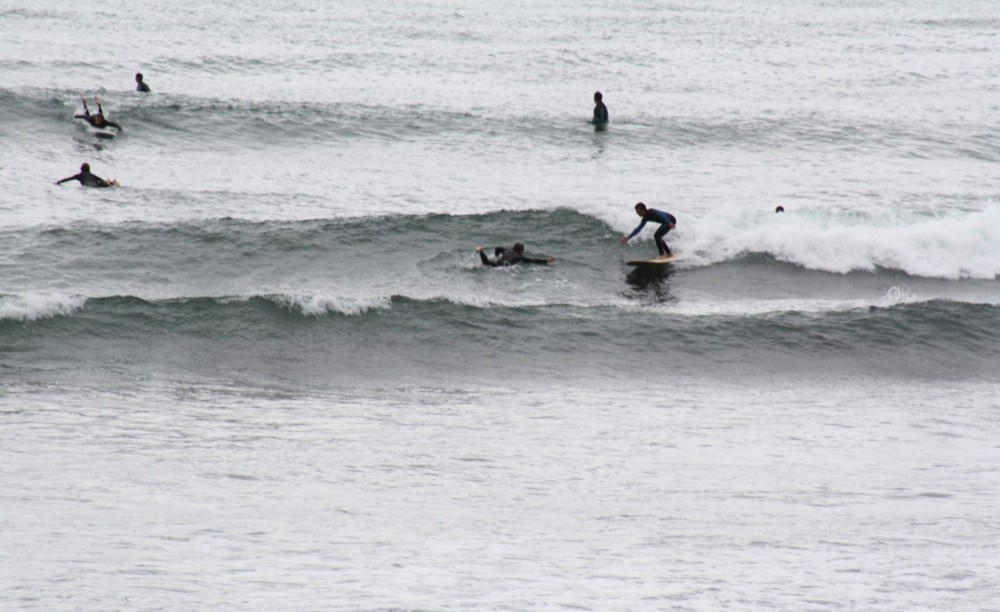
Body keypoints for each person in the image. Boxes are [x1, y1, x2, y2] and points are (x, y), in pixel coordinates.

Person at [475, 243, 555, 267]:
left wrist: (497, 256)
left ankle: (481, 251)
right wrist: (546, 260)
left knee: (486, 262)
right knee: (488, 264)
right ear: (521, 251)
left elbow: (497, 248)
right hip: (503, 266)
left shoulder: (507, 250)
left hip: (498, 261)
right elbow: (532, 260)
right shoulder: (520, 256)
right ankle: (481, 252)